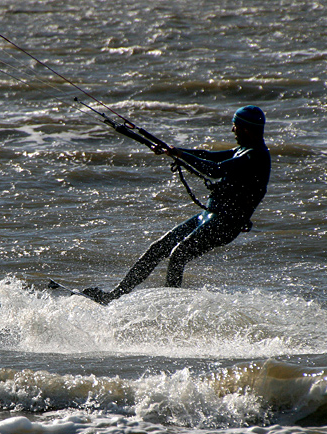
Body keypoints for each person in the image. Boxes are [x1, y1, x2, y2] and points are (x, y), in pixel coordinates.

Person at [82, 105, 271, 305]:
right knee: (158, 248)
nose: (232, 131)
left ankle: (170, 306)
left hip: (226, 223)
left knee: (178, 254)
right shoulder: (243, 150)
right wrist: (174, 151)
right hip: (208, 215)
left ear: (246, 129)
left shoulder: (255, 155)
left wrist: (180, 156)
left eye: (235, 127)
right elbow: (208, 155)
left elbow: (215, 169)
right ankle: (114, 295)